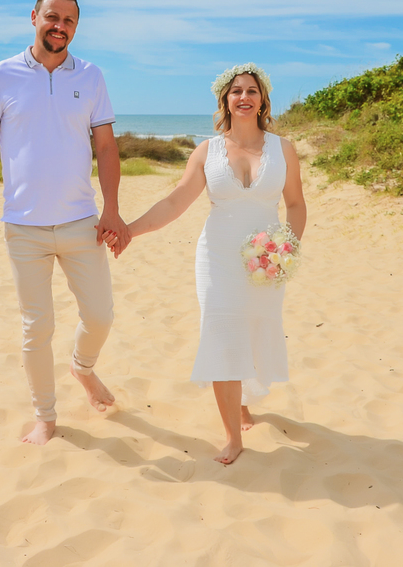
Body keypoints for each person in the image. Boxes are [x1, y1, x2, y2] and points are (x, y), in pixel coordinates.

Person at [0, 0, 132, 445]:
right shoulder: (1, 75)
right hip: (23, 227)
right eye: (52, 17)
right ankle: (45, 417)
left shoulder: (91, 76)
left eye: (69, 21)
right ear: (34, 17)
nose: (59, 27)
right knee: (38, 328)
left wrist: (111, 209)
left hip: (81, 222)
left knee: (100, 316)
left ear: (76, 27)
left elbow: (106, 146)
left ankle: (82, 368)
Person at [105, 63, 306, 464]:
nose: (244, 97)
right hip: (218, 259)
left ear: (263, 100)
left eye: (252, 91)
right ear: (225, 101)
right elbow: (175, 201)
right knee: (224, 334)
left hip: (267, 261)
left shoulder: (283, 149)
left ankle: (242, 404)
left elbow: (296, 204)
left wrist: (288, 247)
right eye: (236, 91)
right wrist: (131, 230)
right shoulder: (207, 152)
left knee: (252, 332)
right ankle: (232, 435)